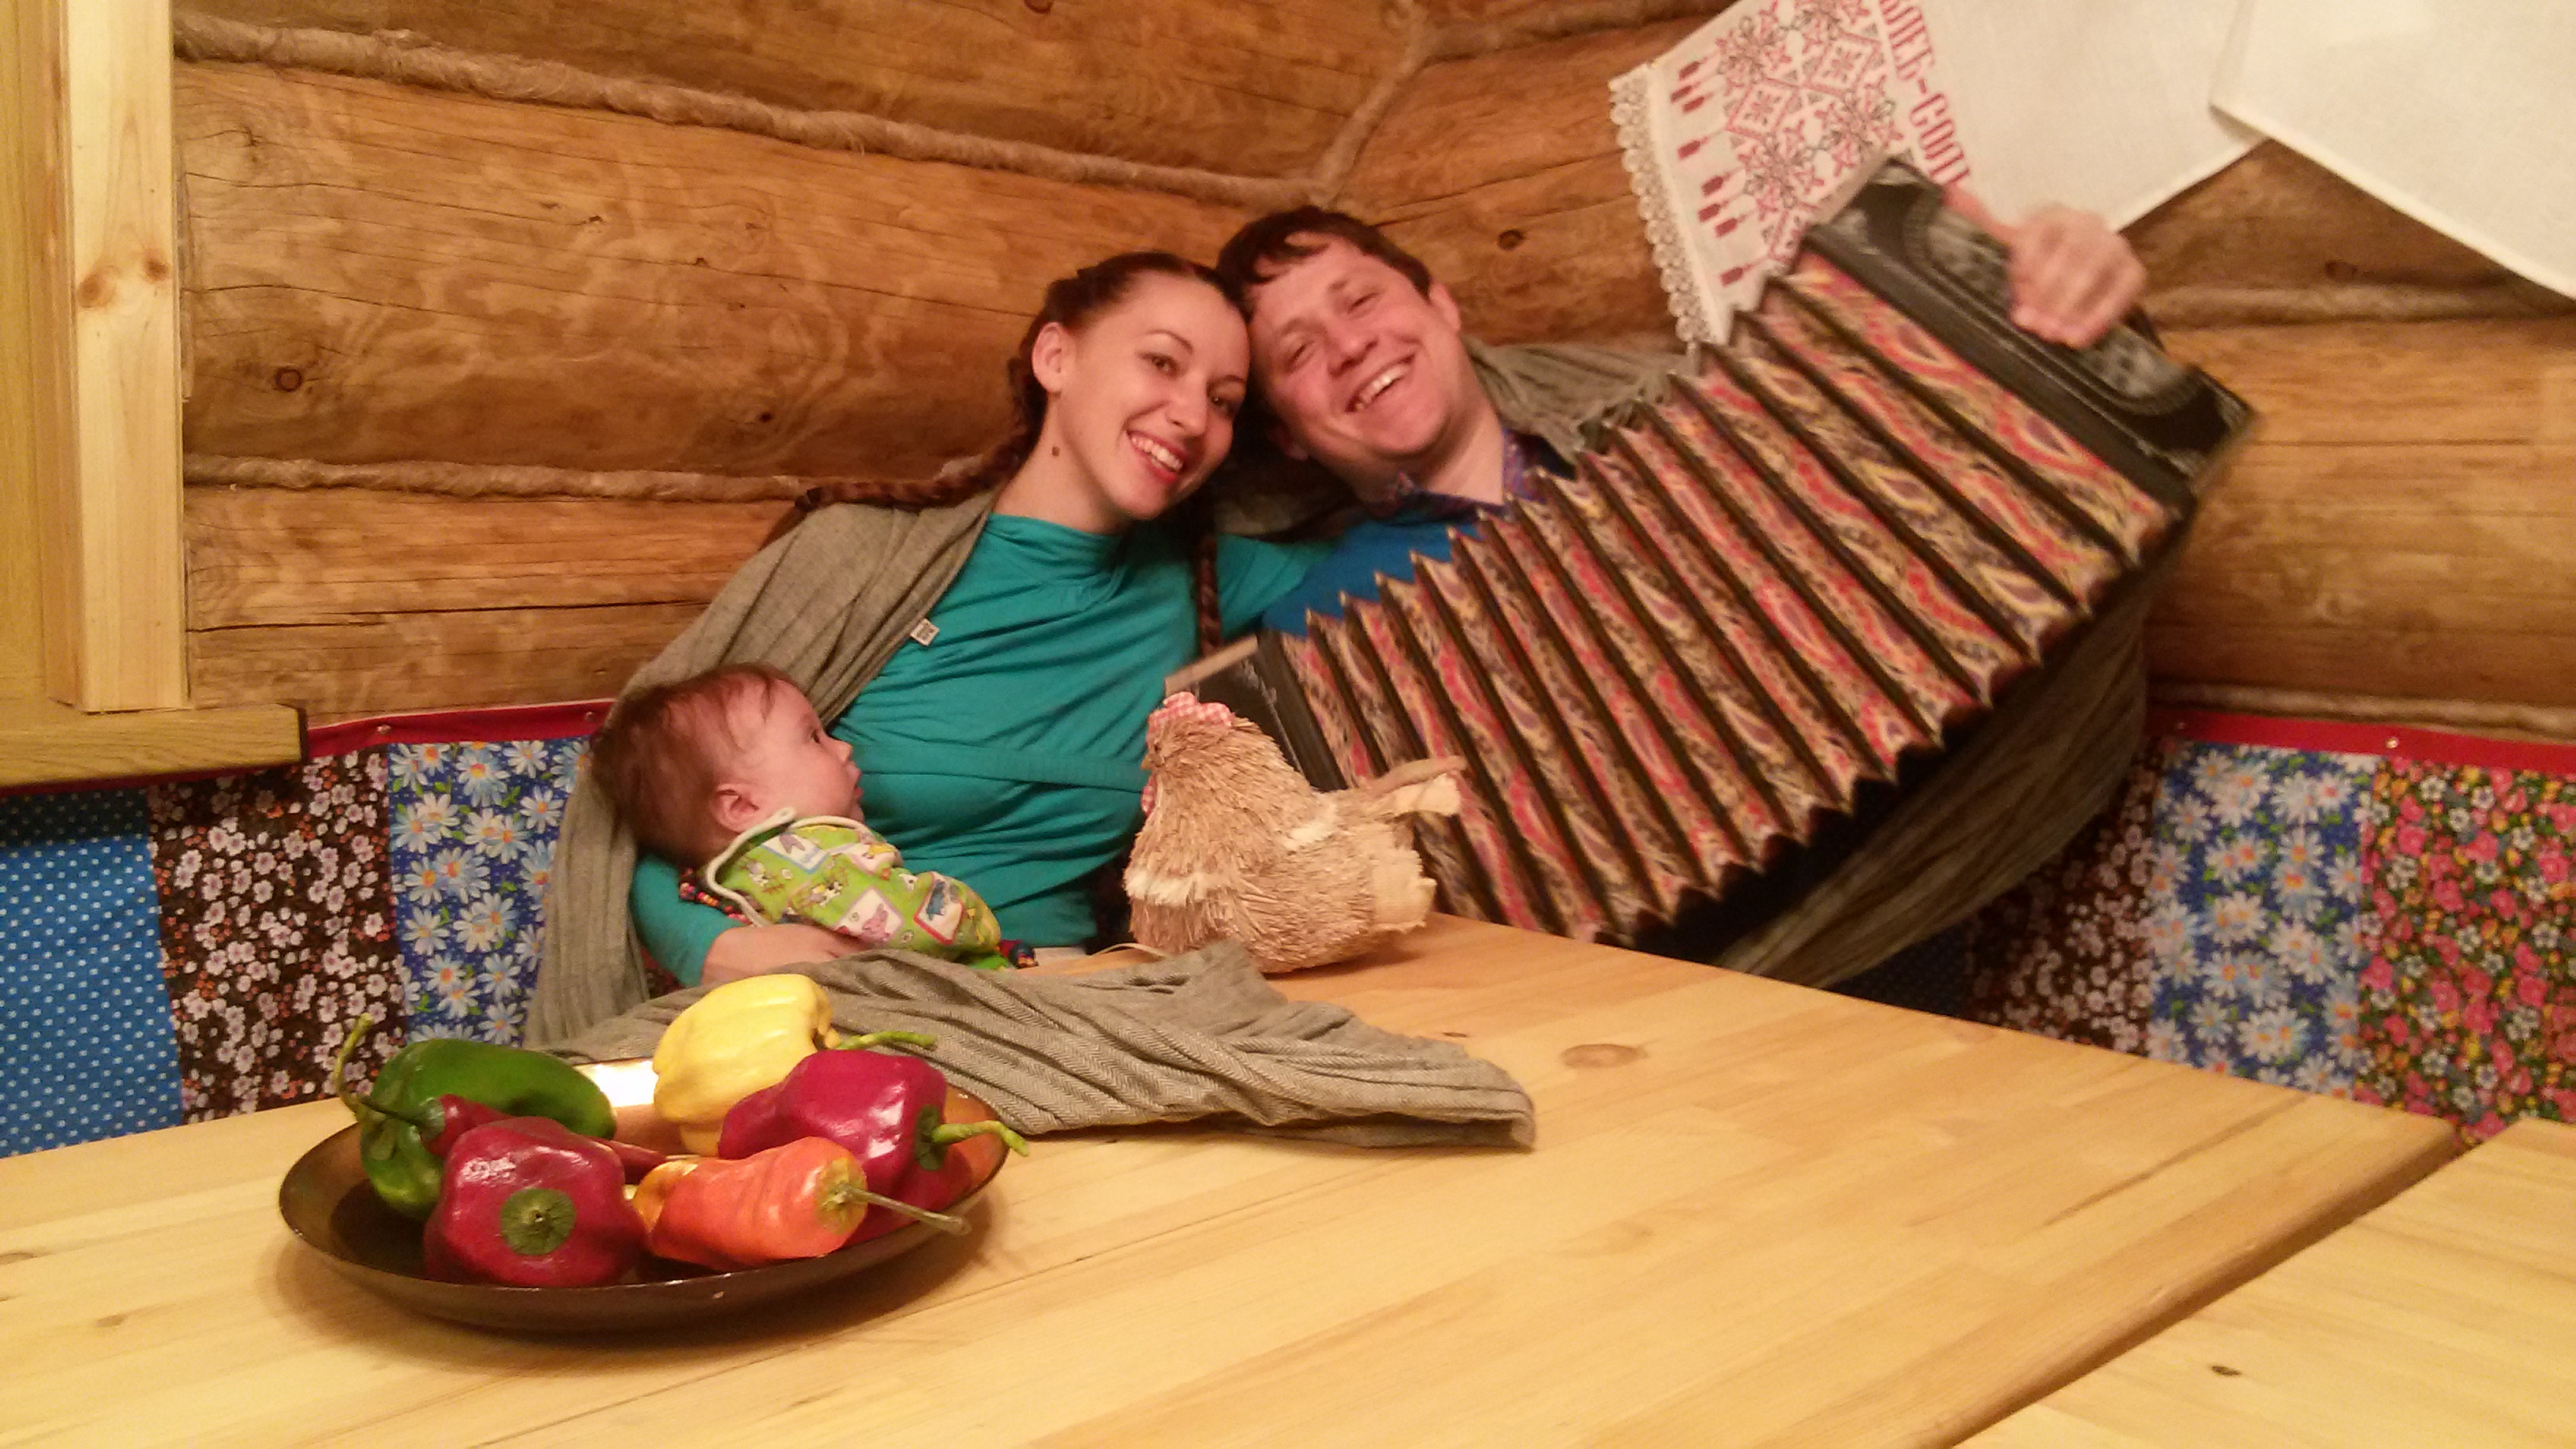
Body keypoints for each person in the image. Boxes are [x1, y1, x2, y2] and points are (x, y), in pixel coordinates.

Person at [1205, 197, 2162, 987]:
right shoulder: (1314, 634)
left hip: (1911, 893)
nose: (1349, 344)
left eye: (1361, 299)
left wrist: (2057, 291)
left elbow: (1970, 498)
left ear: (1442, 307)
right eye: (1298, 353)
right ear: (1287, 435)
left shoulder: (1699, 429)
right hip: (1658, 1011)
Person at [534, 253, 1328, 1040]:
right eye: (1161, 362)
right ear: (1056, 357)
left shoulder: (1204, 581)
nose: (1192, 417)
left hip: (1063, 1007)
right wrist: (711, 946)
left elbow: (1398, 538)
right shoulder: (862, 562)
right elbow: (646, 801)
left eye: (1224, 401)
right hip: (830, 1009)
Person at [587, 662, 1024, 972]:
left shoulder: (721, 875)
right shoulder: (813, 860)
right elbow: (915, 923)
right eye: (815, 737)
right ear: (743, 807)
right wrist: (973, 916)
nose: (844, 748)